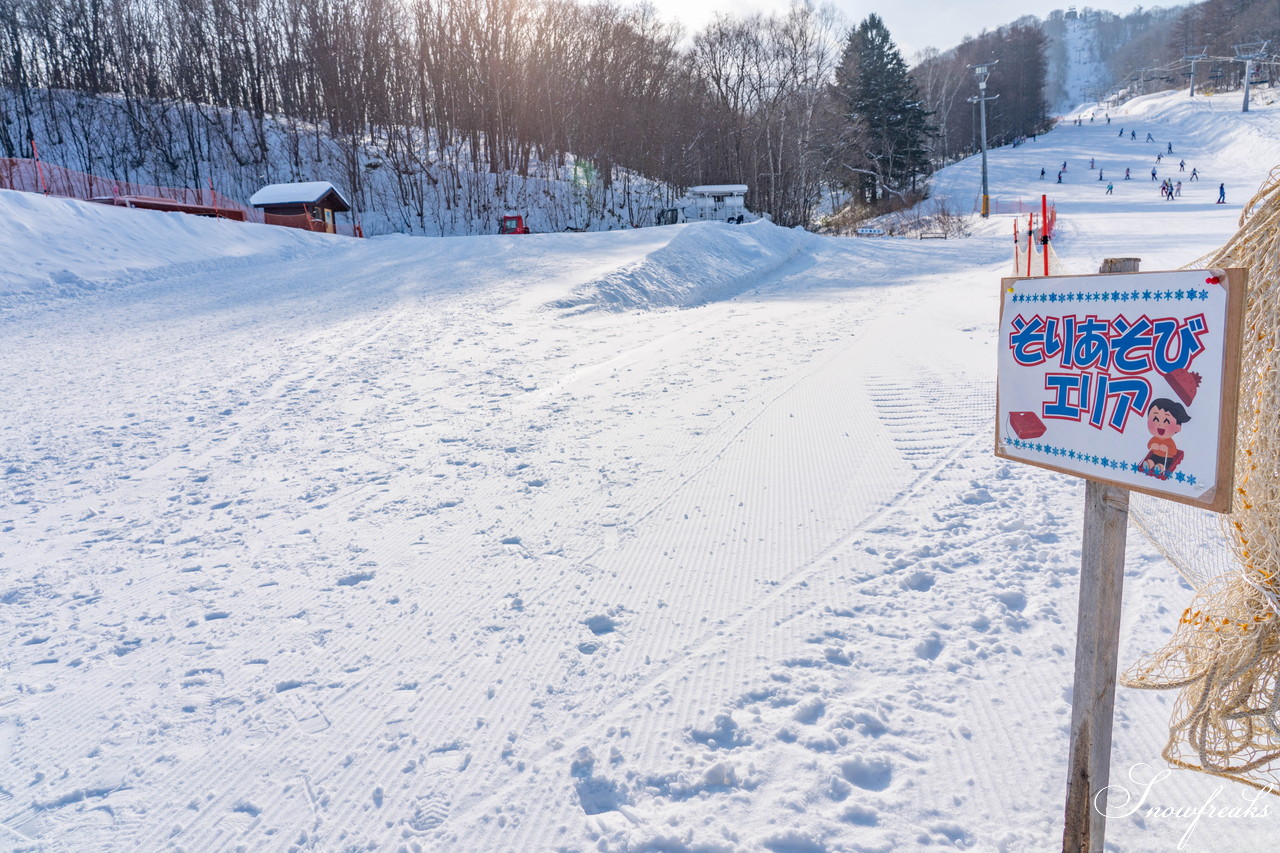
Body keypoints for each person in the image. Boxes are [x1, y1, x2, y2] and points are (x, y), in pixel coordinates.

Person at [1139, 399, 1189, 477]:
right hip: (1155, 455)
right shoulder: (1155, 438)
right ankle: (1149, 464)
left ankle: (1160, 468)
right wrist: (1152, 446)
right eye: (1155, 419)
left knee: (1162, 464)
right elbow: (1149, 445)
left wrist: (1166, 449)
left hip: (1166, 458)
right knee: (1151, 460)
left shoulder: (1169, 441)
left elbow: (1173, 452)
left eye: (1166, 421)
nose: (1160, 425)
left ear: (1177, 427)